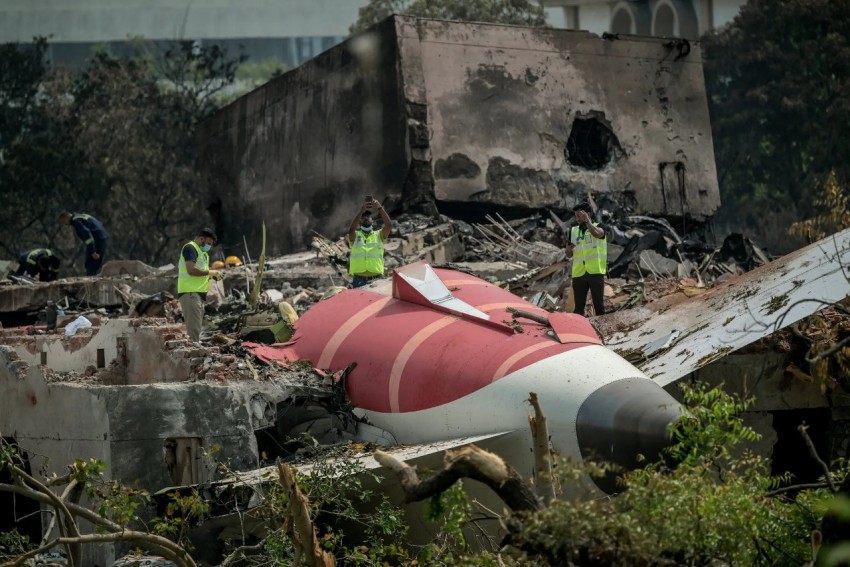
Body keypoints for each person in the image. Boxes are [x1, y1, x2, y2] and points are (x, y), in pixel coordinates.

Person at [177, 228, 221, 342]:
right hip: (190, 293)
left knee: (196, 329)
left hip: (197, 295)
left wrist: (212, 275)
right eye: (208, 243)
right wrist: (209, 272)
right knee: (193, 332)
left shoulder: (203, 253)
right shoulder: (190, 248)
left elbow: (201, 273)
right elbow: (191, 270)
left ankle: (195, 351)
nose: (209, 247)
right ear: (201, 238)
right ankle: (193, 355)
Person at [566, 202, 607, 317]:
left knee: (599, 306)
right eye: (576, 216)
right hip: (579, 274)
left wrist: (588, 222)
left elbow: (598, 234)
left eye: (579, 215)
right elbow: (569, 255)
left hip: (595, 272)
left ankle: (602, 332)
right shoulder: (573, 231)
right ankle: (580, 332)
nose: (577, 218)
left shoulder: (600, 226)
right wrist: (568, 251)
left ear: (587, 214)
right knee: (578, 309)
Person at [347, 198, 391, 288]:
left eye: (368, 216)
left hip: (377, 279)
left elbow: (389, 225)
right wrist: (361, 210)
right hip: (359, 279)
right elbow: (351, 230)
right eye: (363, 217)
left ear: (373, 221)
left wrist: (379, 207)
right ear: (359, 221)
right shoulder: (355, 235)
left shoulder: (379, 235)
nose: (366, 218)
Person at [59, 211, 108, 276]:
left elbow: (87, 236)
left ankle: (92, 282)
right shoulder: (80, 216)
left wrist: (93, 251)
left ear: (67, 217)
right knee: (95, 263)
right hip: (102, 236)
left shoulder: (76, 221)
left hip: (97, 238)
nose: (65, 224)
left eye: (63, 221)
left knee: (91, 264)